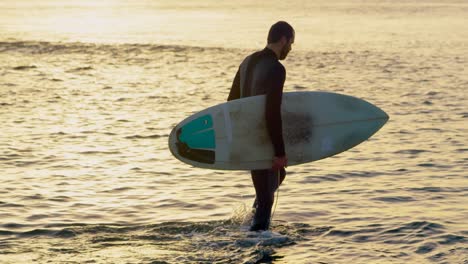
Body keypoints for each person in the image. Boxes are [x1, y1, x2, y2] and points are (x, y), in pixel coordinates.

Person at [227, 21, 295, 231]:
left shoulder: (247, 62)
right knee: (267, 199)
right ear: (283, 39)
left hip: (248, 137)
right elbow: (272, 112)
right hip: (262, 139)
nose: (290, 48)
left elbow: (231, 103)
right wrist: (280, 152)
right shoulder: (276, 68)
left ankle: (250, 223)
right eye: (291, 43)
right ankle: (257, 243)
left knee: (276, 178)